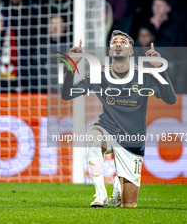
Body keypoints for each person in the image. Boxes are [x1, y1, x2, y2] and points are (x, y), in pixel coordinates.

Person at [62, 30, 176, 207]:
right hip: (108, 129)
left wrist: (161, 70)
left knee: (127, 205)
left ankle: (119, 180)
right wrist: (71, 66)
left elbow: (170, 99)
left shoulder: (144, 74)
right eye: (114, 41)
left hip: (132, 139)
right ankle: (100, 194)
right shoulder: (99, 74)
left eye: (123, 41)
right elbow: (67, 95)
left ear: (131, 51)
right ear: (109, 51)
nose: (118, 43)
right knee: (93, 137)